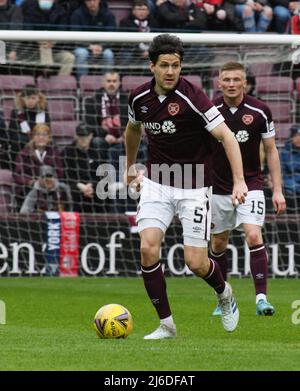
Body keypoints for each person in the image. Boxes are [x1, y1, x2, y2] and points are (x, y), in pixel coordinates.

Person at [124, 34, 248, 339]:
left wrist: (239, 180)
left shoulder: (194, 97)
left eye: (176, 65)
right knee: (147, 248)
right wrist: (129, 167)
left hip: (194, 186)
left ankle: (225, 292)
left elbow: (228, 137)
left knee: (195, 262)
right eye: (164, 65)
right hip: (156, 183)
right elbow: (132, 130)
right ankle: (166, 324)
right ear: (151, 66)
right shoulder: (139, 99)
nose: (170, 71)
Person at [210, 61, 286, 317]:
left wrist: (277, 190)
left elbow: (272, 151)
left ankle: (261, 299)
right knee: (219, 243)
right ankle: (223, 298)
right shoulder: (209, 110)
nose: (231, 84)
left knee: (253, 235)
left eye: (236, 79)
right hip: (218, 187)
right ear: (219, 83)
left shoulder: (260, 110)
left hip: (251, 183)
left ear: (245, 82)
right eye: (227, 80)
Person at [62, 122, 107, 213]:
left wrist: (91, 185)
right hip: (75, 188)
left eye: (85, 136)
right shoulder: (67, 152)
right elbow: (66, 175)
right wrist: (80, 186)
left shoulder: (98, 152)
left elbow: (104, 174)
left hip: (94, 188)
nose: (83, 139)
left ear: (91, 136)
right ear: (76, 136)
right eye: (80, 136)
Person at [8, 84, 51, 163]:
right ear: (23, 99)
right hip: (22, 143)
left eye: (33, 98)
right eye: (28, 98)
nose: (30, 101)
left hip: (40, 140)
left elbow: (48, 130)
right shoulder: (16, 112)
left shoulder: (43, 112)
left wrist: (37, 139)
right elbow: (12, 133)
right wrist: (30, 141)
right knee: (17, 140)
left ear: (38, 99)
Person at [280, 125, 300, 213]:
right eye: (296, 136)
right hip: (290, 190)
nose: (299, 138)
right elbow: (283, 175)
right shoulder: (284, 153)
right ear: (291, 137)